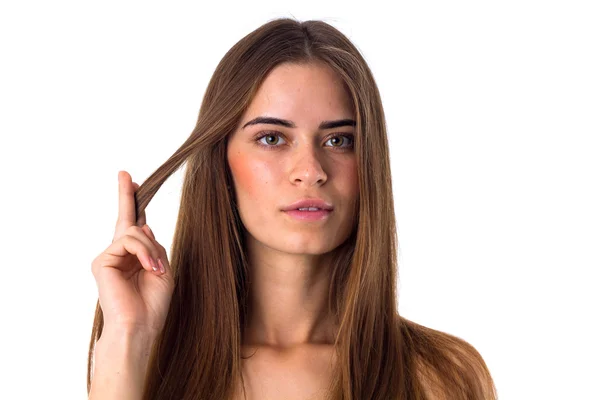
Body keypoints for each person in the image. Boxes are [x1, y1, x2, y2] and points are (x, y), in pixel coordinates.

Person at [87, 17, 497, 400]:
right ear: (221, 162)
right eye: (272, 138)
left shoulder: (441, 376)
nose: (311, 171)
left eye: (339, 140)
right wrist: (127, 335)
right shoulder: (147, 361)